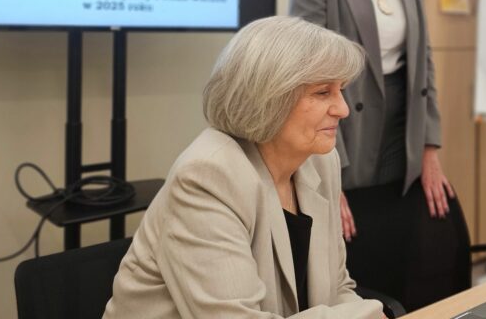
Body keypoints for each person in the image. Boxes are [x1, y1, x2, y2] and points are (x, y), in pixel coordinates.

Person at [104, 16, 383, 318]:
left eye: (341, 90)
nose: (343, 109)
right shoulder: (207, 176)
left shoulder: (320, 160)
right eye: (322, 92)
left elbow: (337, 287)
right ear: (269, 97)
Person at [288, 0, 464, 310]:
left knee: (407, 261)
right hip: (344, 133)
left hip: (400, 135)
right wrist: (327, 179)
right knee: (358, 269)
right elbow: (308, 75)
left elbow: (422, 61)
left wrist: (430, 149)